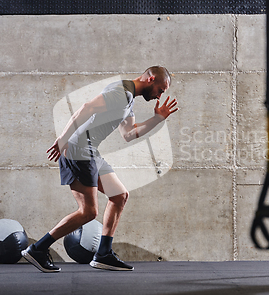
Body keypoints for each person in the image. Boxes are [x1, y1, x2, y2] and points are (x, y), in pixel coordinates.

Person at [22, 66, 178, 272]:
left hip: (90, 151)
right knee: (88, 212)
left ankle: (103, 254)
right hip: (79, 150)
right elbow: (87, 108)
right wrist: (63, 139)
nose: (161, 94)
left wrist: (158, 118)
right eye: (161, 88)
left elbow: (129, 133)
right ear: (150, 79)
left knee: (119, 195)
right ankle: (38, 249)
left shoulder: (128, 97)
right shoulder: (121, 93)